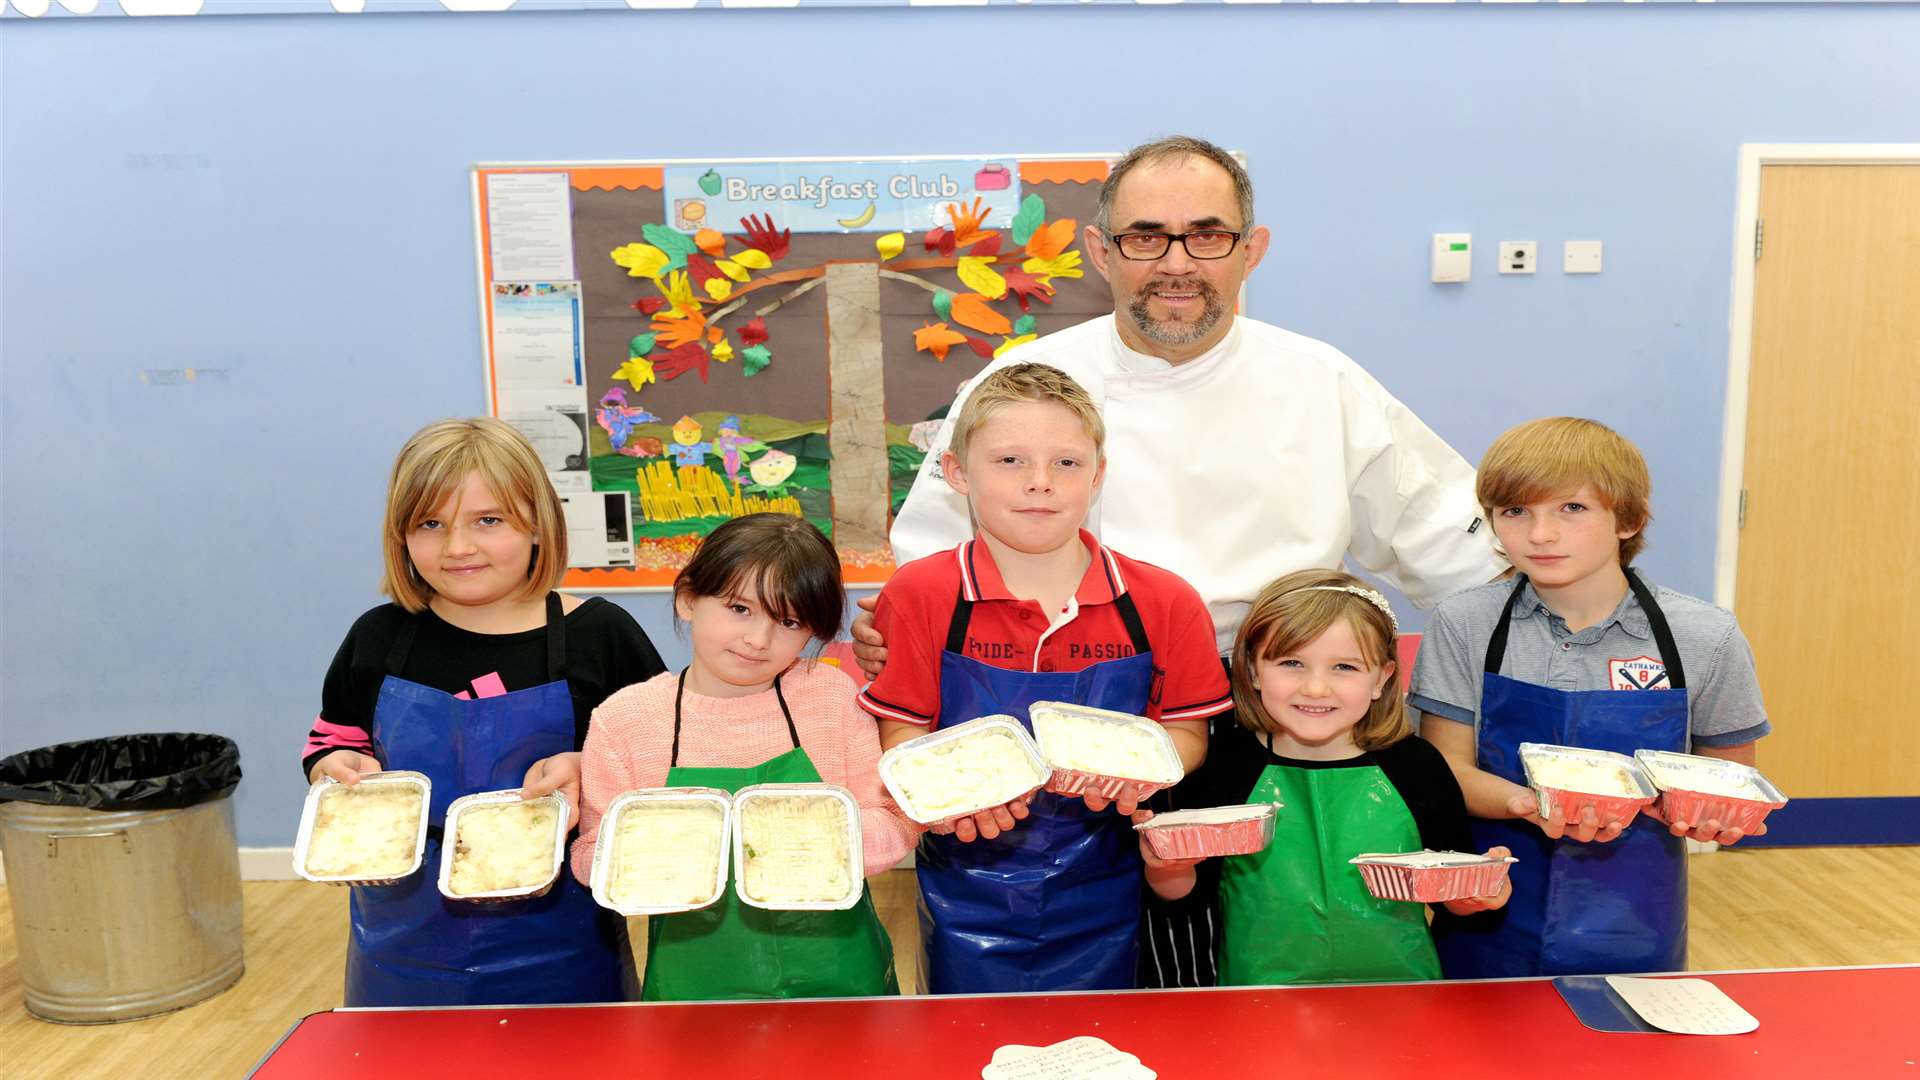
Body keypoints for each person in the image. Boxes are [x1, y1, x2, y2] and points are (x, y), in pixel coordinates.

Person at [858, 134, 1507, 987]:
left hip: (1271, 725)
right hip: (1066, 722)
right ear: (1100, 250)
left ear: (1251, 250)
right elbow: (931, 570)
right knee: (1116, 977)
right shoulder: (1029, 376)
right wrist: (887, 633)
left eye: (1207, 235)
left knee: (1256, 967)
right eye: (1144, 236)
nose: (1176, 263)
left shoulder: (1324, 383)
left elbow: (1462, 557)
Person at [856, 363, 1232, 994]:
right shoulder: (923, 594)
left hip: (1117, 887)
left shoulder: (1163, 601)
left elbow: (1188, 732)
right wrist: (953, 793)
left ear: (1098, 474)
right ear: (956, 473)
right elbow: (902, 734)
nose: (1039, 484)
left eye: (1066, 463)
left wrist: (1141, 770)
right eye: (1009, 461)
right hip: (962, 887)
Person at [302, 417, 665, 1007]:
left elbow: (661, 763)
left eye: (488, 520)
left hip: (564, 946)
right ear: (401, 537)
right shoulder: (378, 638)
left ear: (538, 525)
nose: (458, 547)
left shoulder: (600, 635)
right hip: (402, 946)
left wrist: (589, 770)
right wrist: (335, 768)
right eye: (430, 524)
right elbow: (332, 738)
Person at [1412, 417, 1771, 978]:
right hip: (1486, 910)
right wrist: (1537, 805)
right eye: (1515, 512)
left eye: (1572, 509)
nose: (1540, 535)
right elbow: (1444, 770)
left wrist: (1710, 817)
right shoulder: (1464, 623)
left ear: (1627, 519)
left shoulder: (1705, 637)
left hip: (1637, 922)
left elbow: (1727, 776)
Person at [571, 513, 917, 1001]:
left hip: (840, 978)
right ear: (689, 598)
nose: (759, 639)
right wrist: (657, 857)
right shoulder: (626, 720)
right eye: (739, 608)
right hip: (695, 985)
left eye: (789, 622)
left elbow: (895, 822)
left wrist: (803, 844)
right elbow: (589, 854)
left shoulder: (830, 698)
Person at [1139, 570, 1509, 985]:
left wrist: (1480, 894)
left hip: (1403, 999)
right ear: (1253, 670)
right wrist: (1166, 868)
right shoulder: (1225, 767)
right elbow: (1186, 897)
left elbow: (1452, 899)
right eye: (1292, 663)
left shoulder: (1417, 767)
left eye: (1345, 667)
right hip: (1255, 1001)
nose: (1316, 688)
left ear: (1383, 678)